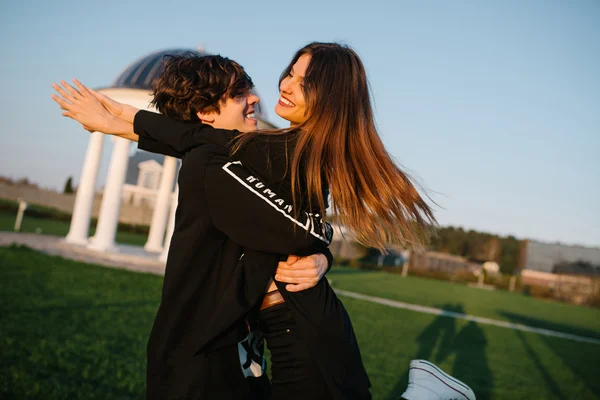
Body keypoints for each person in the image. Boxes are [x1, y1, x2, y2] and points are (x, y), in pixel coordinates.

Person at [53, 43, 477, 400]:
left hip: (301, 325)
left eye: (303, 81)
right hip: (276, 325)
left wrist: (122, 122)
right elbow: (207, 142)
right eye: (289, 73)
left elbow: (208, 142)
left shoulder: (294, 150)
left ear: (329, 97)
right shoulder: (279, 150)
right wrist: (122, 122)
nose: (283, 85)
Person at [53, 54, 335, 400]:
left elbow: (199, 138)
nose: (256, 98)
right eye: (239, 93)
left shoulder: (227, 158)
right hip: (197, 361)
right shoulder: (213, 166)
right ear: (206, 114)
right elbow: (301, 228)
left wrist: (121, 118)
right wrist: (322, 244)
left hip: (236, 351)